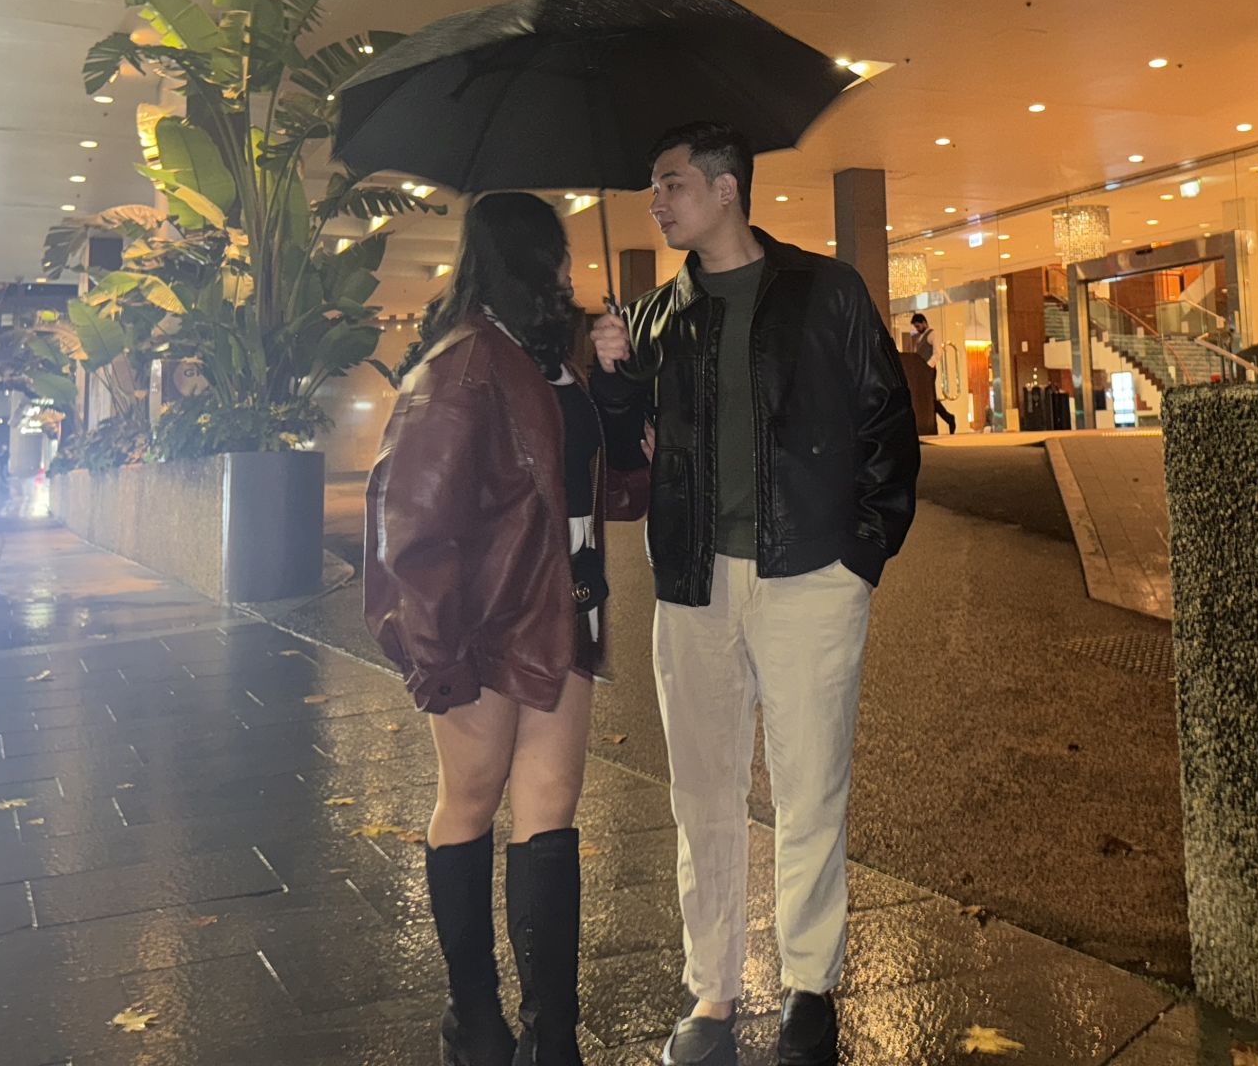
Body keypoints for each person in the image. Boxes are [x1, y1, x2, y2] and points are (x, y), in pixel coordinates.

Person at [593, 123, 920, 1066]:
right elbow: (625, 457)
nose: (656, 202)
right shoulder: (654, 317)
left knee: (810, 785)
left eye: (671, 184)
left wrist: (862, 553)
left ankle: (808, 985)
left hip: (809, 573)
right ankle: (712, 991)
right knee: (702, 789)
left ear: (726, 188)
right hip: (692, 581)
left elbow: (887, 421)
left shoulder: (826, 291)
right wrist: (614, 381)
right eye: (653, 187)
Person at [365, 192, 648, 1066]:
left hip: (563, 610)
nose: (568, 270)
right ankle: (476, 1020)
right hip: (485, 623)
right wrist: (435, 656)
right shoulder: (462, 365)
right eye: (557, 255)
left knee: (550, 808)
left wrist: (616, 391)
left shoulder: (550, 359)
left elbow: (616, 490)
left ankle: (550, 1038)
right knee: (470, 799)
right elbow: (411, 524)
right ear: (530, 258)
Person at [906, 312, 958, 433]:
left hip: (928, 371)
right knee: (928, 398)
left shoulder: (932, 334)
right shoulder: (921, 337)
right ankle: (942, 421)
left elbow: (937, 353)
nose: (917, 329)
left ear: (924, 323)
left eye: (918, 326)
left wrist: (927, 367)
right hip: (921, 372)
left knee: (930, 398)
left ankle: (948, 418)